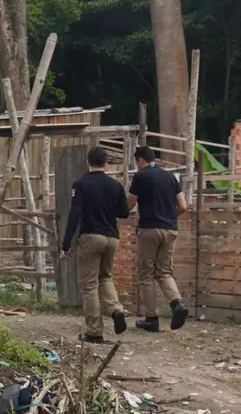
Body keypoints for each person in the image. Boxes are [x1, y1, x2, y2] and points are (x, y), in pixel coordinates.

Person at [61, 147, 130, 344]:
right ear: (106, 164)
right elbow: (124, 213)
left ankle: (94, 332)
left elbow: (75, 215)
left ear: (87, 162)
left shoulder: (81, 184)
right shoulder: (115, 186)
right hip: (112, 239)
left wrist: (66, 244)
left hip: (91, 238)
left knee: (89, 285)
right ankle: (116, 310)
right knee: (105, 277)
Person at [127, 146, 189, 333]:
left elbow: (130, 204)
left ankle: (151, 318)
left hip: (149, 229)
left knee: (146, 274)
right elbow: (183, 206)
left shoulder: (140, 177)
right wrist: (169, 218)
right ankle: (177, 304)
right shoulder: (170, 177)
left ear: (139, 161)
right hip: (170, 229)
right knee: (164, 272)